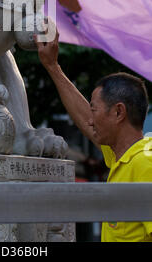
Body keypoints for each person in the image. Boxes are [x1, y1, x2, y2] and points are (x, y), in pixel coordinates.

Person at [34, 20, 152, 242]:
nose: (90, 121)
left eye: (95, 110)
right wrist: (53, 67)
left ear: (118, 113)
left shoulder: (145, 165)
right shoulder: (123, 158)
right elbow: (85, 118)